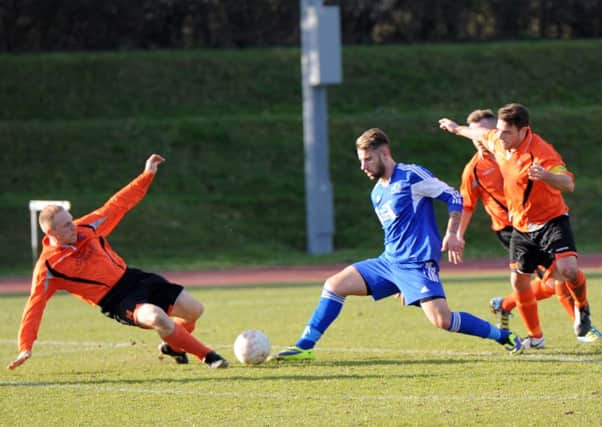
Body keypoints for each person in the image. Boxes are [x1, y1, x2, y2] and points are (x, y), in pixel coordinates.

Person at [270, 128, 524, 361]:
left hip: (417, 264)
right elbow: (393, 233)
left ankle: (503, 336)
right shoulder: (377, 193)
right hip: (388, 262)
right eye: (360, 160)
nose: (363, 166)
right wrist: (396, 283)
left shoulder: (412, 176)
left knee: (442, 320)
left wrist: (453, 233)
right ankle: (305, 346)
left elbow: (453, 196)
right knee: (334, 285)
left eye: (368, 159)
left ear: (384, 153)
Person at [7, 154, 229, 370]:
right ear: (51, 233)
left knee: (195, 310)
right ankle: (208, 356)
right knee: (157, 317)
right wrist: (25, 346)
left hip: (134, 278)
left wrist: (147, 174)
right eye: (66, 225)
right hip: (116, 300)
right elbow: (34, 306)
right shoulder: (48, 267)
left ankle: (173, 347)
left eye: (71, 219)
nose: (73, 225)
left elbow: (118, 204)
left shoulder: (86, 228)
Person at [439, 103, 593, 349]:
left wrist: (546, 176)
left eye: (506, 131)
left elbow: (568, 183)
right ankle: (535, 334)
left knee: (567, 272)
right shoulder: (496, 144)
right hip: (519, 226)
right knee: (519, 281)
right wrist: (456, 128)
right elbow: (479, 134)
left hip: (551, 221)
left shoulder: (541, 152)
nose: (499, 135)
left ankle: (582, 312)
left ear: (523, 131)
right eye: (498, 130)